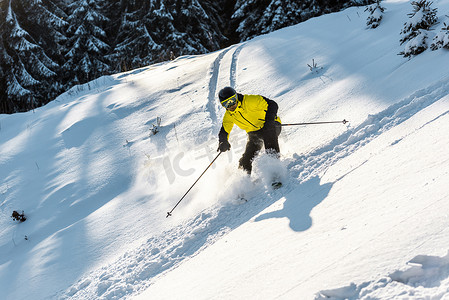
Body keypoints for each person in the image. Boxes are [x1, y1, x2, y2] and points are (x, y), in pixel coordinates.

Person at [217, 86, 281, 174]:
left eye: (232, 100)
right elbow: (224, 131)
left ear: (236, 97)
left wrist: (269, 121)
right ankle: (243, 181)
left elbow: (272, 104)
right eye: (226, 104)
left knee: (268, 136)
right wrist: (223, 141)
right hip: (254, 134)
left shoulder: (249, 101)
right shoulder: (229, 116)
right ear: (223, 106)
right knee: (246, 160)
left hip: (271, 125)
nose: (231, 105)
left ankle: (276, 172)